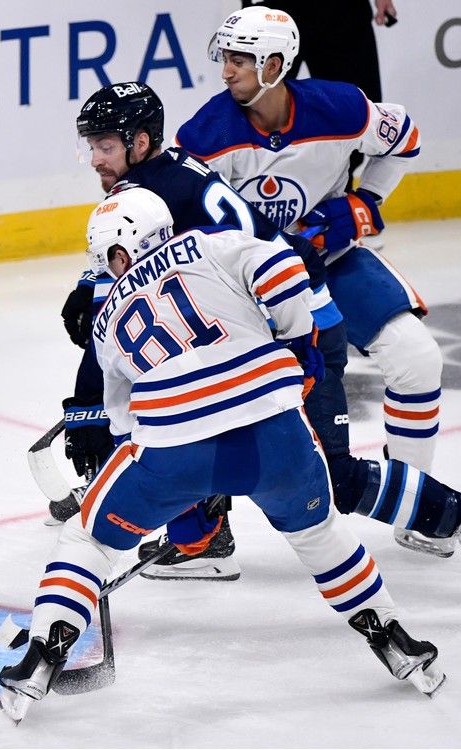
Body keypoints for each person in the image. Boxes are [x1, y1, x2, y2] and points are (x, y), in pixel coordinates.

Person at [0, 187, 445, 724]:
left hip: (173, 447)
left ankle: (45, 651)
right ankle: (392, 636)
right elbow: (284, 267)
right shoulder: (209, 243)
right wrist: (300, 342)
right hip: (275, 431)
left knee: (89, 537)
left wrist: (176, 498)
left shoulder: (106, 319)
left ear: (116, 251)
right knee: (319, 532)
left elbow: (124, 425)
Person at [178, 7, 448, 556]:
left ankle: (418, 507)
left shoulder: (340, 105)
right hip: (243, 287)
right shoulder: (204, 136)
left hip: (330, 259)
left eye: (240, 60)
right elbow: (187, 231)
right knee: (209, 393)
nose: (226, 71)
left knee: (417, 359)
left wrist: (365, 203)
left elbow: (406, 138)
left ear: (275, 65)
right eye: (225, 57)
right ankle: (203, 537)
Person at [240, 0, 398, 191]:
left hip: (340, 10)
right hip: (273, 8)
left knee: (354, 113)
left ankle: (338, 204)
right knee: (255, 105)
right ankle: (251, 199)